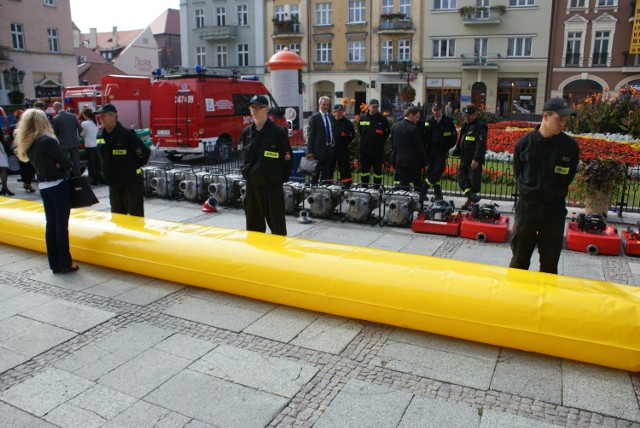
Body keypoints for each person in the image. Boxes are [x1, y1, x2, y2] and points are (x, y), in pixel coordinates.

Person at [509, 97, 580, 274]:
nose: (563, 123)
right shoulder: (524, 144)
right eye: (559, 119)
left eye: (565, 120)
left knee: (549, 263)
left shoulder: (570, 147)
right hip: (527, 209)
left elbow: (568, 175)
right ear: (545, 116)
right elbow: (519, 175)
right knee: (519, 259)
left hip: (554, 210)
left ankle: (545, 300)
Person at [14, 108, 78, 274]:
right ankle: (65, 262)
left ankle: (55, 264)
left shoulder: (29, 142)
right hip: (57, 185)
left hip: (43, 187)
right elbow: (67, 163)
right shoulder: (47, 141)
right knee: (61, 226)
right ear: (42, 121)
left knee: (51, 226)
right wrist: (58, 164)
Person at [240, 95, 293, 235]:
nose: (254, 110)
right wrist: (246, 172)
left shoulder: (278, 132)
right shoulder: (246, 133)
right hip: (252, 187)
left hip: (272, 188)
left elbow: (287, 160)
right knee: (253, 229)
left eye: (258, 107)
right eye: (252, 107)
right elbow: (244, 159)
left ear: (267, 109)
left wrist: (277, 179)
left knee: (278, 229)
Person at [97, 104, 150, 216]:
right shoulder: (100, 136)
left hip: (130, 183)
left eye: (103, 116)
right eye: (100, 116)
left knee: (135, 216)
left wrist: (130, 167)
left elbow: (144, 154)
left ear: (114, 116)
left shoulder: (127, 134)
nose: (101, 119)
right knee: (117, 216)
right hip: (114, 183)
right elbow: (101, 156)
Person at [452, 105, 487, 209]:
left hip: (473, 159)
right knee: (461, 176)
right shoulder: (466, 125)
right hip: (464, 158)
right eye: (465, 115)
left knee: (473, 181)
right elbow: (461, 139)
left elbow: (480, 145)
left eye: (468, 116)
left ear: (474, 115)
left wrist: (476, 159)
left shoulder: (480, 126)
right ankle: (471, 196)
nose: (466, 117)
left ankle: (471, 203)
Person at [390, 105, 428, 199]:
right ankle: (419, 204)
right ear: (411, 115)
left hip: (399, 161)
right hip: (413, 162)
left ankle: (404, 205)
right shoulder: (413, 129)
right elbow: (419, 147)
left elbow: (393, 145)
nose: (418, 120)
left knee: (404, 186)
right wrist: (426, 162)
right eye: (417, 117)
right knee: (417, 185)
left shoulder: (395, 126)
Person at [423, 102, 458, 200]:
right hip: (430, 150)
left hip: (441, 150)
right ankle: (438, 193)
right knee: (430, 171)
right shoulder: (428, 119)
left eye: (437, 110)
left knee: (438, 170)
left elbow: (454, 136)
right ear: (432, 110)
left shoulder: (448, 121)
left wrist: (448, 147)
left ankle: (423, 188)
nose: (436, 112)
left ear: (441, 110)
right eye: (434, 110)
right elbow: (424, 134)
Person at [357, 99, 390, 187]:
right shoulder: (363, 118)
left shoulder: (382, 119)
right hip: (365, 150)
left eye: (376, 107)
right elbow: (360, 131)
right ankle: (364, 188)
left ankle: (376, 188)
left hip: (377, 151)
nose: (375, 109)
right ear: (369, 106)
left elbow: (386, 133)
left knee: (378, 172)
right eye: (373, 107)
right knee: (364, 171)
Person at [306, 96, 333, 185]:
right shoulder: (315, 117)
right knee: (315, 173)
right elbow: (310, 135)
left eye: (327, 105)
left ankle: (324, 190)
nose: (325, 107)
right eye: (324, 104)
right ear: (319, 105)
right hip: (317, 150)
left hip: (328, 148)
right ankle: (314, 190)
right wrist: (310, 151)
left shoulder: (330, 116)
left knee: (326, 172)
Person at [52, 101, 82, 176]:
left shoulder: (56, 118)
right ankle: (78, 176)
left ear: (56, 108)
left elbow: (55, 133)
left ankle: (67, 176)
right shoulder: (72, 116)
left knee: (65, 161)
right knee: (76, 161)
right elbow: (79, 128)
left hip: (63, 143)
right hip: (74, 142)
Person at [10, 110, 36, 193]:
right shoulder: (27, 127)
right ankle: (28, 183)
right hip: (27, 149)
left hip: (18, 149)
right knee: (29, 167)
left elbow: (12, 139)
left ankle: (26, 183)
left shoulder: (13, 127)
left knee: (23, 167)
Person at [330, 104, 355, 188]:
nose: (340, 113)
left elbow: (352, 135)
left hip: (343, 149)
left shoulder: (347, 123)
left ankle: (346, 185)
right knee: (329, 167)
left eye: (342, 111)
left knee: (345, 168)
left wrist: (346, 138)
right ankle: (328, 184)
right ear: (334, 113)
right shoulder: (329, 121)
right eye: (338, 111)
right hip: (331, 149)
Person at [80, 108, 105, 185]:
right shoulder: (95, 122)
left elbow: (82, 134)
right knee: (98, 164)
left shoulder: (84, 123)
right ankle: (102, 179)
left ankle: (94, 180)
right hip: (96, 145)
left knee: (91, 165)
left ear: (85, 115)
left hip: (89, 146)